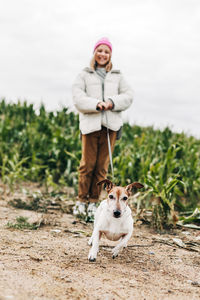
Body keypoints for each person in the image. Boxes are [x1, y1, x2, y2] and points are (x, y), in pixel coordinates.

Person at [72, 37, 133, 217]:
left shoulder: (118, 75)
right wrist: (96, 103)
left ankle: (93, 202)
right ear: (94, 52)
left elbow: (128, 96)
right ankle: (81, 201)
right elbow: (78, 97)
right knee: (87, 165)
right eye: (100, 50)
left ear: (110, 55)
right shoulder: (84, 74)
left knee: (101, 167)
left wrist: (111, 102)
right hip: (90, 126)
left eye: (106, 52)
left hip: (110, 127)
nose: (103, 54)